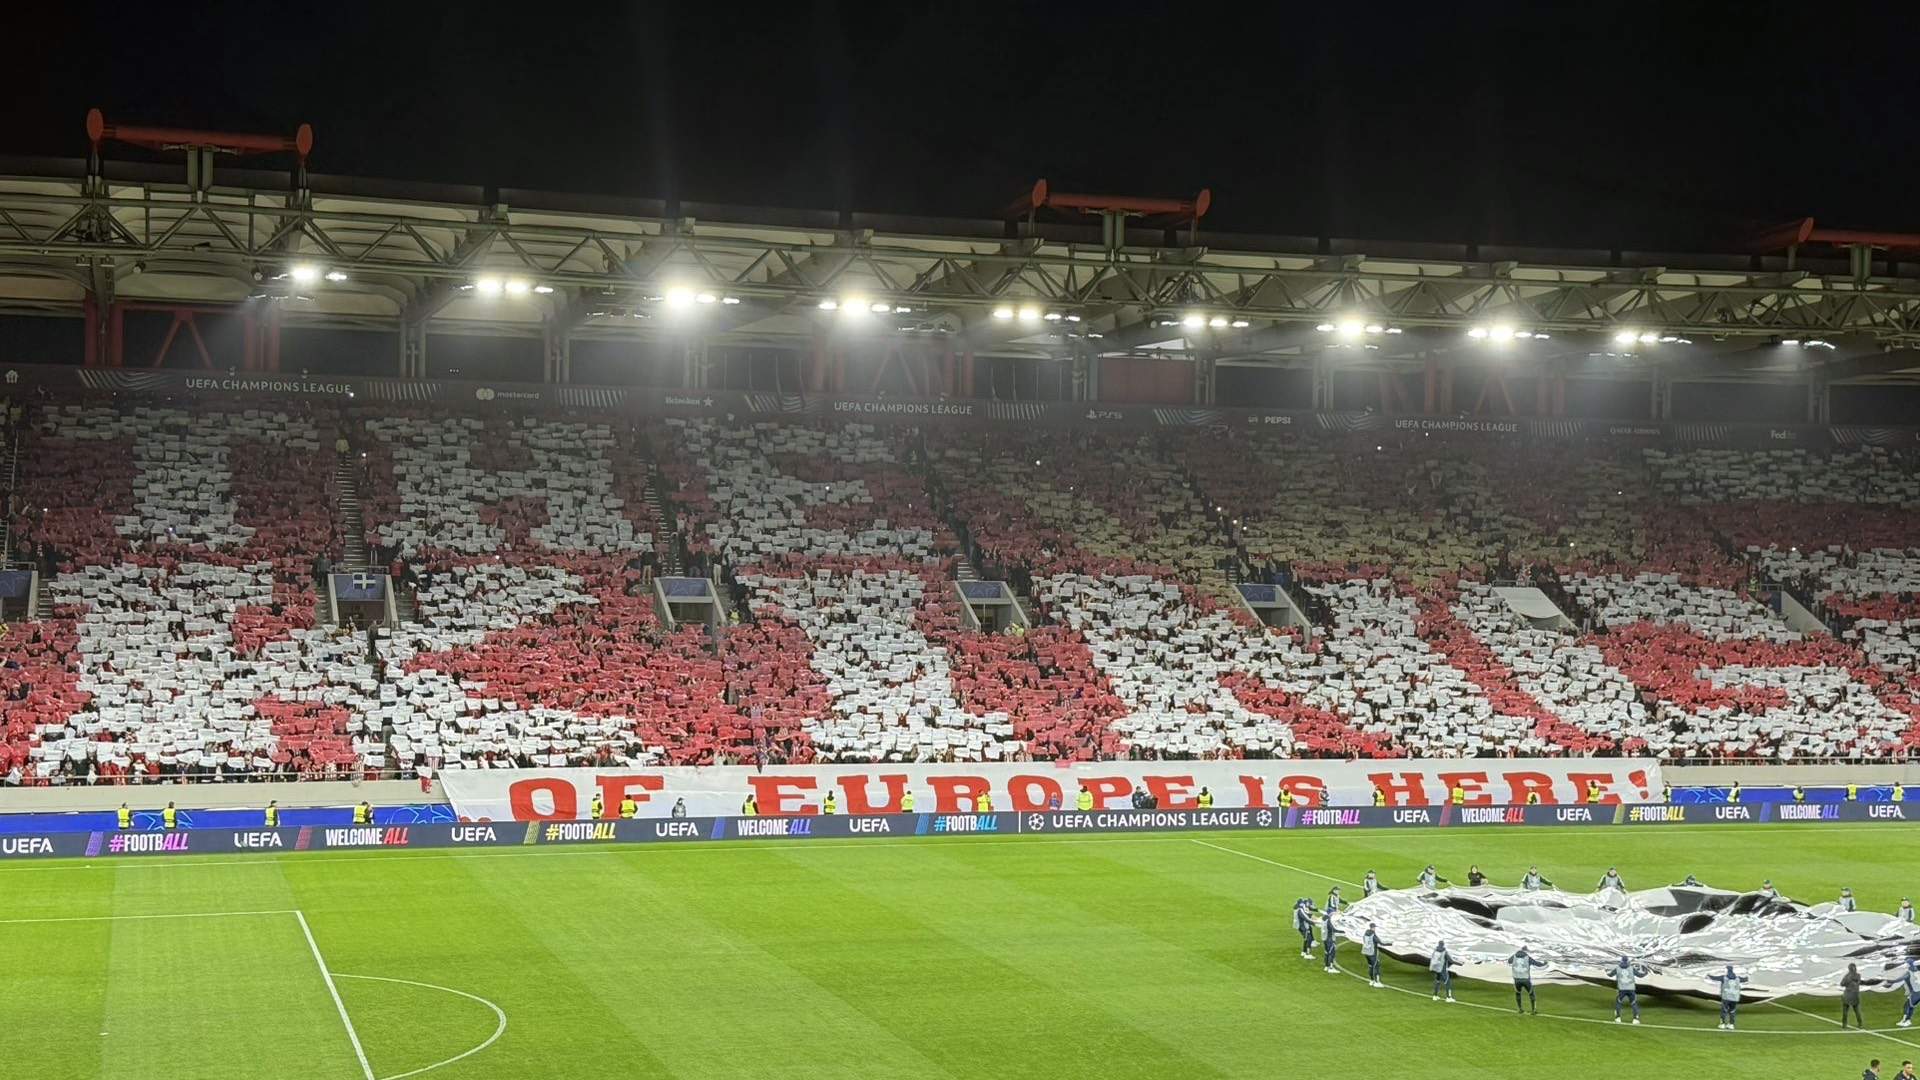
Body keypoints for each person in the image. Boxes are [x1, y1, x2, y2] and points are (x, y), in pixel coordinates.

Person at [1610, 957, 1648, 1023]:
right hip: (1631, 989)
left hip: (1621, 989)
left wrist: (1606, 972)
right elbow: (1640, 975)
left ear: (1621, 961)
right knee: (1633, 1003)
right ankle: (1635, 1019)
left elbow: (1610, 975)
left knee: (1619, 1002)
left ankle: (1618, 1018)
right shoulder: (1631, 968)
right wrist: (1645, 972)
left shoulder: (1617, 968)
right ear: (1628, 961)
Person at [1712, 965, 1746, 1030]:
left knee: (1724, 1010)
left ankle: (1722, 1024)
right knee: (1732, 1011)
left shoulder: (1724, 978)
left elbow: (1714, 978)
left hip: (1726, 997)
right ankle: (1731, 1024)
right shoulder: (1738, 978)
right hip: (1735, 997)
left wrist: (1708, 975)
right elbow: (1745, 979)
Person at [1508, 946, 1538, 1014]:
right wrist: (1545, 963)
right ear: (1525, 951)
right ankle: (1533, 1010)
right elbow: (1536, 963)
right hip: (1526, 979)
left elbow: (1509, 961)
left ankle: (1520, 1009)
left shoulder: (1514, 956)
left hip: (1517, 979)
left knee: (1518, 993)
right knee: (1531, 993)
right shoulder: (1527, 957)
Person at [1842, 963, 1865, 1029]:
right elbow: (1858, 983)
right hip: (1855, 995)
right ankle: (1860, 1024)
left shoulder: (1847, 976)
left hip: (1847, 995)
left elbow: (1842, 984)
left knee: (1845, 1011)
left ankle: (1844, 1024)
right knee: (1857, 1010)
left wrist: (1847, 983)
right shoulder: (1858, 976)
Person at [1899, 959, 1920, 1028]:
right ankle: (1905, 1020)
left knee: (1909, 1005)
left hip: (1917, 992)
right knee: (1909, 1005)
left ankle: (1907, 1020)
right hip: (1915, 991)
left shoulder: (1913, 972)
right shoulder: (1914, 971)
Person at [1361, 921, 1383, 987]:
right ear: (1373, 928)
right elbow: (1380, 942)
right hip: (1372, 952)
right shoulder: (1373, 934)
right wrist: (1391, 943)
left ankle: (1372, 980)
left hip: (1366, 952)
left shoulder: (1365, 933)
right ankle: (1376, 982)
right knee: (1376, 966)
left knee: (1371, 966)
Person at [1321, 906, 1339, 974]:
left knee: (1327, 952)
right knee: (1332, 952)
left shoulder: (1324, 918)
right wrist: (1343, 931)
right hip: (1330, 938)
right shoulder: (1328, 920)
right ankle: (1331, 967)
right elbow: (1332, 929)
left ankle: (1326, 966)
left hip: (1324, 938)